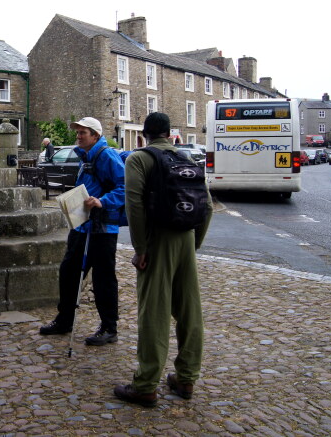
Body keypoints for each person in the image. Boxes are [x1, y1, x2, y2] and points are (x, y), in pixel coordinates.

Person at [114, 112, 213, 407]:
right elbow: (206, 205)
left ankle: (145, 384)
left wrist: (141, 248)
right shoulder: (187, 159)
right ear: (170, 134)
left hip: (157, 240)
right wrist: (194, 243)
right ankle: (186, 378)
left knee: (154, 312)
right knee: (189, 310)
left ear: (144, 135)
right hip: (186, 237)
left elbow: (134, 205)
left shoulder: (138, 159)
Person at [39, 117, 125, 345]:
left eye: (83, 132)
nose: (78, 135)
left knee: (103, 277)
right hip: (82, 224)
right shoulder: (84, 156)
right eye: (77, 132)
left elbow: (125, 185)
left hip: (103, 226)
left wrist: (103, 201)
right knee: (69, 271)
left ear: (95, 135)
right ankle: (65, 319)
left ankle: (109, 327)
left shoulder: (106, 155)